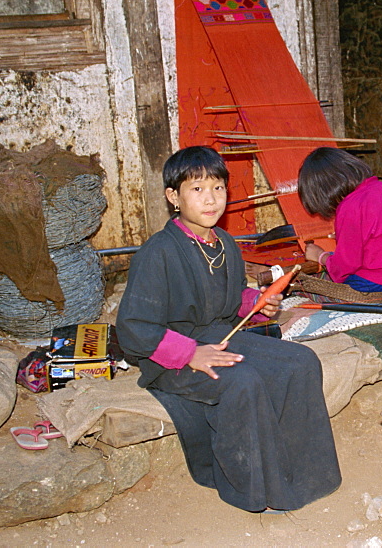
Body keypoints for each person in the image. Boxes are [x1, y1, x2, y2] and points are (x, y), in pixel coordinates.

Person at [116, 146, 341, 513]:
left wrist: (253, 303)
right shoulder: (157, 253)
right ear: (174, 197)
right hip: (170, 355)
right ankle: (250, 489)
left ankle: (298, 477)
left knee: (301, 362)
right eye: (197, 189)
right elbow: (134, 329)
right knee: (243, 381)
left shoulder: (224, 244)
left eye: (218, 188)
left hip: (219, 335)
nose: (211, 199)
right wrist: (190, 354)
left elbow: (227, 296)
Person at [299, 147, 382, 291]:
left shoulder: (350, 206)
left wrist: (320, 255)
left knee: (306, 286)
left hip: (376, 282)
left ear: (322, 190)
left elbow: (344, 267)